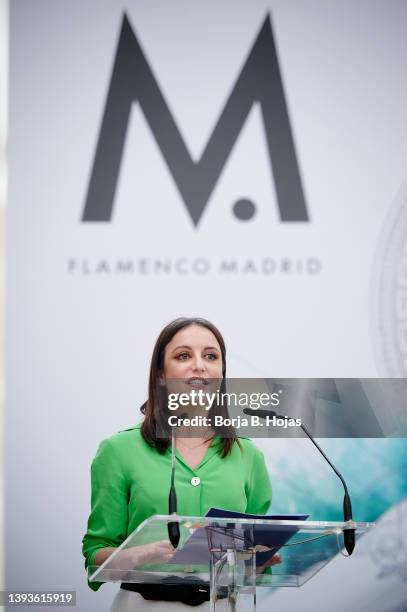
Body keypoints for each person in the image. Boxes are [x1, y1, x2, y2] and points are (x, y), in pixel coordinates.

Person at [82, 317, 277, 610]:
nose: (199, 365)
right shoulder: (118, 451)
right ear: (161, 374)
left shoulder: (248, 455)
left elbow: (253, 561)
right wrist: (137, 555)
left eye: (211, 356)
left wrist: (259, 563)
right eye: (183, 355)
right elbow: (95, 553)